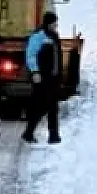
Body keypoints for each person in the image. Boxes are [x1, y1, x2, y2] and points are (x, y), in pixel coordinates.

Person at [22, 11, 62, 144]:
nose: (55, 26)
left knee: (52, 107)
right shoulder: (38, 36)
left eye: (56, 23)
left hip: (53, 77)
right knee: (42, 106)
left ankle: (53, 136)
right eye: (53, 23)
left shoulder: (54, 36)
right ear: (48, 23)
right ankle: (29, 133)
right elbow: (31, 55)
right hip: (42, 77)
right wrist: (35, 72)